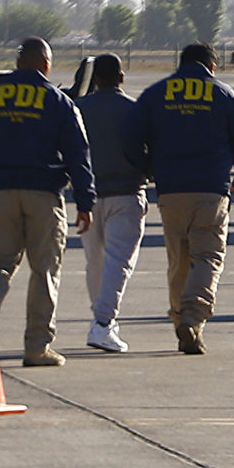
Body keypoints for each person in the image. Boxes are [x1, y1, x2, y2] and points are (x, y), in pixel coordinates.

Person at [0, 36, 95, 367]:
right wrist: (85, 201)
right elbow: (78, 155)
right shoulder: (59, 102)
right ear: (46, 65)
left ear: (18, 64)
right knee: (45, 270)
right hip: (43, 194)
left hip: (1, 193)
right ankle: (37, 347)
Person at [122, 43, 234, 355]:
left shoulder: (156, 93)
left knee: (179, 260)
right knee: (208, 255)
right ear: (212, 66)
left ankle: (181, 322)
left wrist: (148, 168)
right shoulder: (223, 94)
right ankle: (193, 315)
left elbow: (129, 136)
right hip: (211, 190)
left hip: (171, 191)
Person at [73, 54, 144, 353]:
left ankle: (101, 319)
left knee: (95, 261)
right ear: (121, 78)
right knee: (118, 261)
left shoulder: (78, 108)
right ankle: (103, 323)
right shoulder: (134, 109)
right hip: (126, 192)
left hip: (88, 197)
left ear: (96, 78)